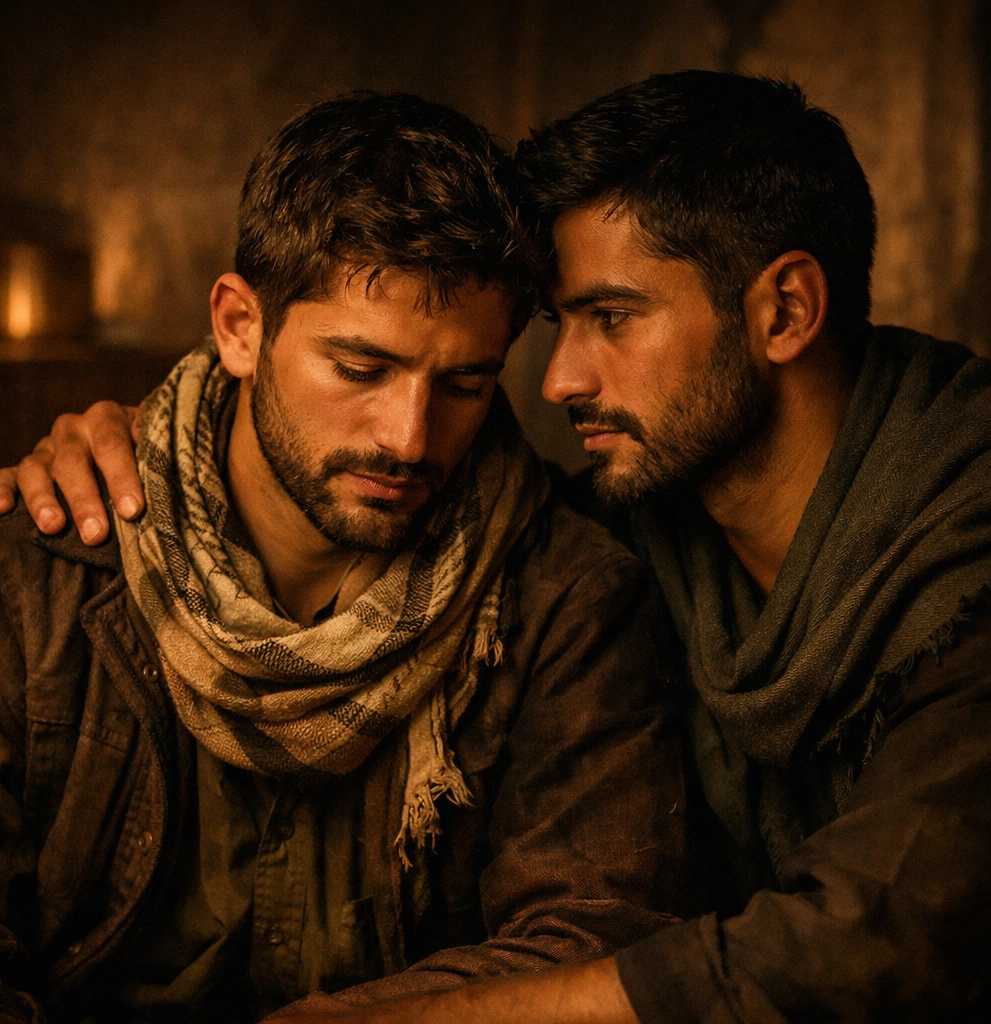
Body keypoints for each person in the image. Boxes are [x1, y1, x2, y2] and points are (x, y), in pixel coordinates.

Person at [5, 70, 991, 1022]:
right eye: (359, 365)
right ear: (238, 328)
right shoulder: (64, 540)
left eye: (611, 318)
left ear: (785, 310)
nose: (556, 383)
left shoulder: (978, 553)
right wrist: (137, 447)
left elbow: (864, 940)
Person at [0, 92, 690, 1023]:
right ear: (241, 326)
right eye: (361, 369)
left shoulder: (567, 598)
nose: (409, 439)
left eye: (464, 382)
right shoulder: (39, 573)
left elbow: (588, 944)